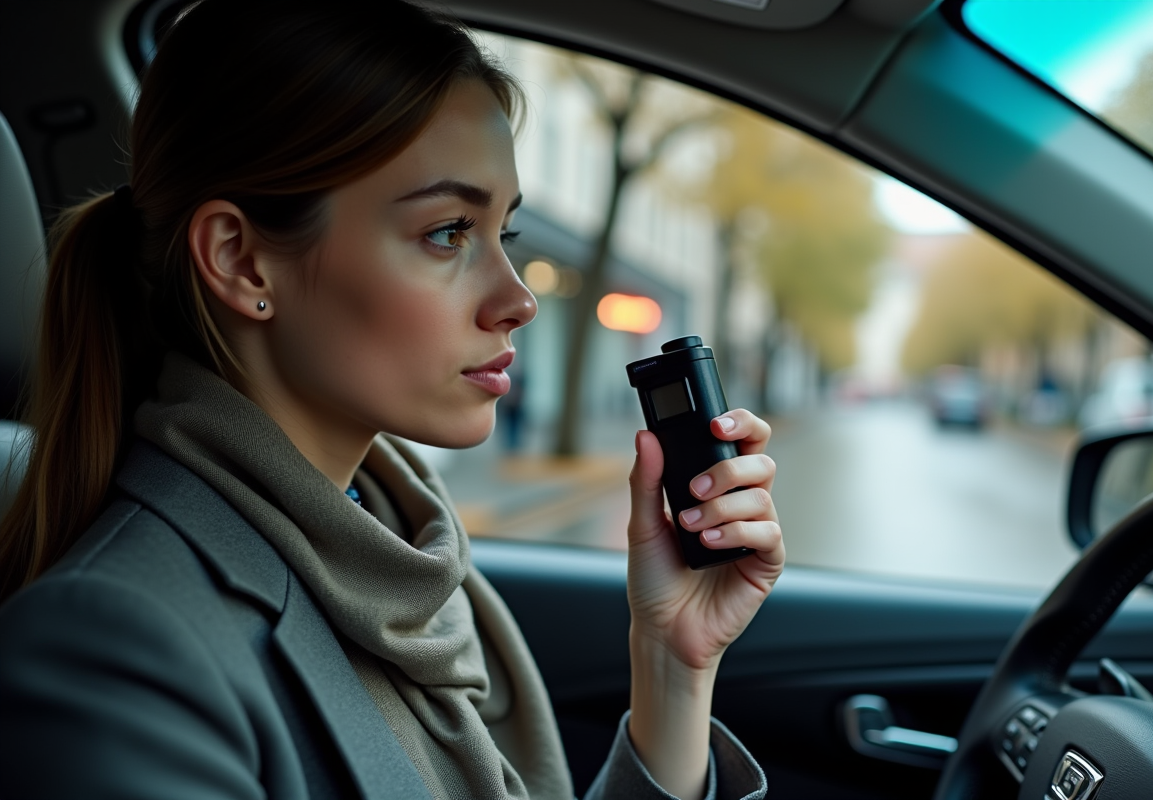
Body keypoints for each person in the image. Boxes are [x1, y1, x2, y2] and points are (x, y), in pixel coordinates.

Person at [0, 1, 785, 798]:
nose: (518, 300)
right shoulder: (113, 654)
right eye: (448, 232)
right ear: (240, 260)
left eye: (505, 235)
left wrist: (673, 664)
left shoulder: (412, 561)